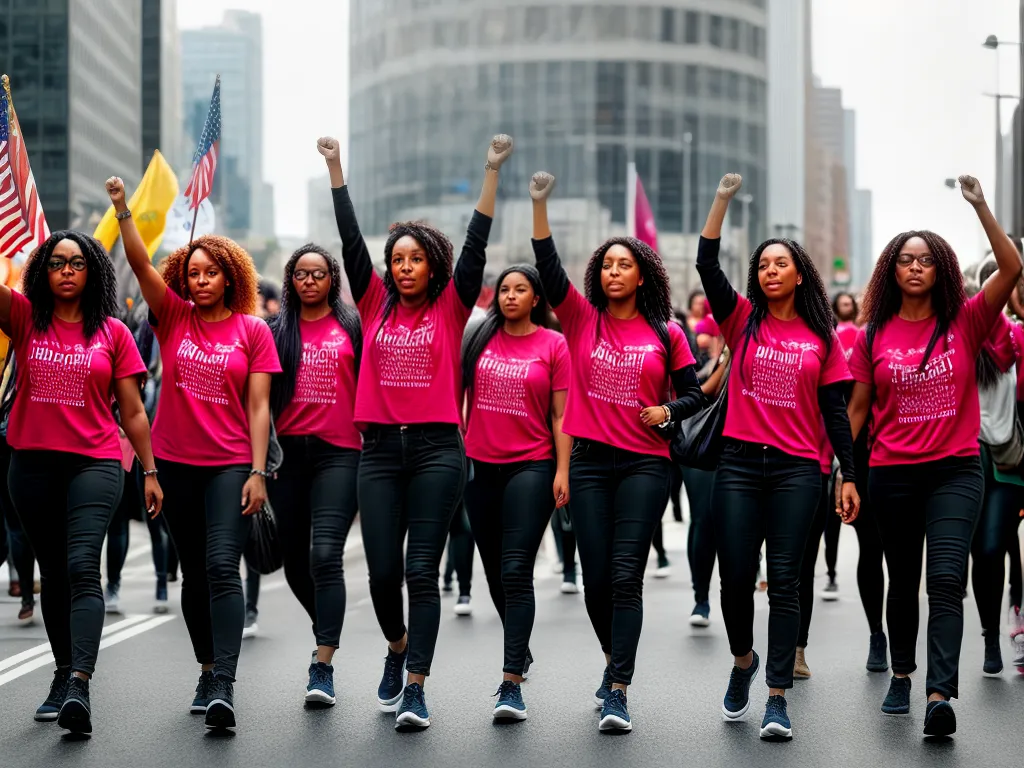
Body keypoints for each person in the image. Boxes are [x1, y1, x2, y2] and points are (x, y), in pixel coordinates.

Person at [319, 133, 512, 730]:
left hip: (436, 451)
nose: (404, 268)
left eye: (415, 259)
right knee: (380, 572)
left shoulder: (453, 307)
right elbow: (350, 241)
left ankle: (417, 687)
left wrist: (491, 171)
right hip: (376, 451)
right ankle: (397, 646)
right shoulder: (372, 303)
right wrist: (335, 169)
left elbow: (476, 242)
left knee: (420, 570)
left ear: (433, 266)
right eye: (397, 259)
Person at [530, 171, 704, 733]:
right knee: (597, 578)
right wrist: (539, 205)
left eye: (623, 264)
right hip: (588, 462)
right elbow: (549, 268)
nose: (613, 272)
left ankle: (619, 688)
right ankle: (613, 663)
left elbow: (695, 392)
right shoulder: (581, 320)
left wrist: (669, 412)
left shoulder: (666, 332)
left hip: (645, 465)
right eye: (606, 265)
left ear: (643, 274)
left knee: (626, 574)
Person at [846, 175, 1021, 738]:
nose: (915, 267)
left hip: (956, 472)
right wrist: (843, 476)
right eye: (905, 259)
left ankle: (940, 695)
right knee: (903, 579)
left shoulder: (967, 322)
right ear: (891, 271)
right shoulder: (871, 336)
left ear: (939, 268)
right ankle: (902, 671)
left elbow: (1012, 270)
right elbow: (856, 412)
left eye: (925, 259)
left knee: (947, 580)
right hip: (891, 474)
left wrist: (981, 208)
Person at [109, 176, 281, 731]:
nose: (202, 280)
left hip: (231, 465)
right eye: (195, 273)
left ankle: (225, 682)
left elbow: (259, 408)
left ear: (231, 278)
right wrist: (122, 211)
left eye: (212, 273)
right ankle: (206, 668)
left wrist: (258, 470)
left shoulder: (254, 330)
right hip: (175, 466)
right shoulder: (173, 317)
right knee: (194, 577)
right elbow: (140, 268)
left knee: (220, 567)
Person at [697, 173, 859, 741]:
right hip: (739, 464)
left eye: (779, 263)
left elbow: (837, 413)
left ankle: (776, 696)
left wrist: (847, 474)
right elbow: (707, 265)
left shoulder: (822, 336)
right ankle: (743, 660)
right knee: (737, 577)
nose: (769, 270)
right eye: (762, 264)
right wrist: (721, 202)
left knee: (786, 581)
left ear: (798, 274)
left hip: (798, 470)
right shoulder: (742, 320)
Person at [0, 229, 163, 735]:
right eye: (56, 262)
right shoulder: (25, 318)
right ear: (41, 272)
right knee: (53, 572)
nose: (66, 269)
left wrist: (151, 471)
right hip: (30, 465)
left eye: (76, 262)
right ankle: (60, 672)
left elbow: (134, 411)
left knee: (79, 566)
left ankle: (79, 683)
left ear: (92, 271)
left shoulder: (113, 333)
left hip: (94, 463)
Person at [461, 264, 570, 720]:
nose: (509, 296)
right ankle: (519, 648)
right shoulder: (477, 340)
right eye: (503, 289)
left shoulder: (554, 344)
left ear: (536, 298)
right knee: (492, 572)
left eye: (519, 289)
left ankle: (511, 682)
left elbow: (561, 415)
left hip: (532, 465)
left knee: (514, 569)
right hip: (479, 467)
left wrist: (563, 470)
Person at [267, 242, 362, 706]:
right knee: (294, 564)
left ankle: (322, 663)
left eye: (318, 274)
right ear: (291, 280)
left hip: (340, 454)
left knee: (325, 554)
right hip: (287, 458)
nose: (309, 281)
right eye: (301, 274)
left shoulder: (352, 327)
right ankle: (324, 624)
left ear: (332, 279)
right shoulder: (274, 330)